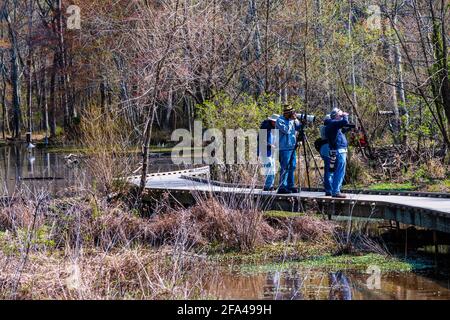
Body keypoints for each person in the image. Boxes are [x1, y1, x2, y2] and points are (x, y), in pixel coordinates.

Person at [276, 105, 302, 194]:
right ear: (286, 113)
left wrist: (297, 120)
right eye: (291, 113)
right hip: (284, 147)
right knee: (285, 167)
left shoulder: (292, 120)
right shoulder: (280, 120)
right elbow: (286, 130)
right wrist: (291, 121)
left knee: (292, 166)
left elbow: (299, 127)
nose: (293, 114)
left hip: (292, 147)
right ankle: (282, 187)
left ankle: (291, 186)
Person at [325, 108, 351, 198]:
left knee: (334, 171)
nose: (341, 116)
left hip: (335, 151)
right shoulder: (332, 123)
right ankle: (336, 191)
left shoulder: (332, 125)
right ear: (336, 115)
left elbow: (340, 131)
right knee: (339, 171)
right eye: (340, 115)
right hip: (338, 151)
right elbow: (344, 122)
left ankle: (333, 190)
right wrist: (345, 115)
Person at [258, 114, 279, 191]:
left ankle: (270, 185)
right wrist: (270, 145)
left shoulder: (273, 128)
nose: (276, 123)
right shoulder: (264, 128)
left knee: (272, 168)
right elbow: (261, 140)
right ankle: (267, 186)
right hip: (265, 151)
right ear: (272, 121)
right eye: (275, 122)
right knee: (269, 168)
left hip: (271, 151)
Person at [319, 114, 333, 196]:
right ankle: (329, 189)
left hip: (324, 149)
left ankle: (329, 188)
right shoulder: (328, 128)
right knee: (329, 170)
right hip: (328, 150)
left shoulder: (323, 127)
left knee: (329, 170)